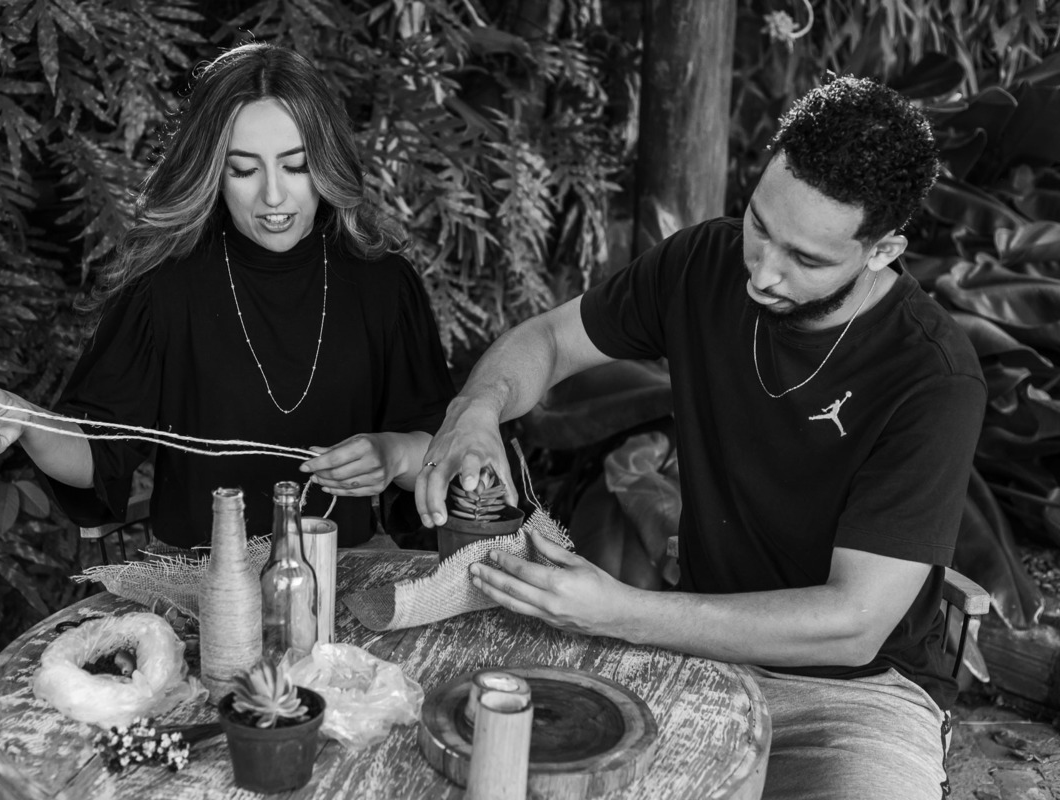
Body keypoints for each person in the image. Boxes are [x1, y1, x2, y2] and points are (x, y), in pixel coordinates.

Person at [416, 76, 986, 799]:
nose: (762, 274)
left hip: (854, 698)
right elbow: (550, 342)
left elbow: (853, 623)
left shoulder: (933, 377)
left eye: (805, 260)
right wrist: (475, 409)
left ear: (883, 250)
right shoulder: (703, 265)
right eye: (759, 227)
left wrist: (621, 610)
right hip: (686, 653)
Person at [0, 42, 454, 549]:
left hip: (345, 577)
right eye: (244, 169)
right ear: (213, 172)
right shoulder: (165, 285)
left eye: (295, 166)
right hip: (195, 583)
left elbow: (440, 446)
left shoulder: (382, 283)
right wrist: (25, 420)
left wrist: (393, 455)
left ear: (327, 162)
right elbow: (98, 455)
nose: (273, 196)